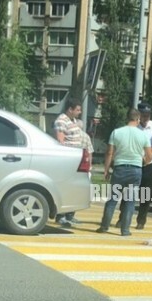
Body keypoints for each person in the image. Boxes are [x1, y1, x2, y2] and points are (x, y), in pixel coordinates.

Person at [96, 108, 152, 236]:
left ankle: (104, 227)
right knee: (130, 201)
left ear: (127, 118)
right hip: (135, 170)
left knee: (112, 200)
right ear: (138, 119)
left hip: (119, 169)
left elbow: (109, 153)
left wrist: (106, 170)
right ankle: (125, 230)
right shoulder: (143, 135)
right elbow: (149, 156)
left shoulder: (116, 132)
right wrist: (142, 162)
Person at [116, 102, 152, 229]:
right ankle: (122, 218)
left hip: (149, 163)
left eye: (148, 115)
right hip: (135, 163)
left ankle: (141, 220)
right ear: (139, 115)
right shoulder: (133, 127)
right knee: (128, 192)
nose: (146, 117)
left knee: (145, 193)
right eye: (144, 115)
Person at [53, 97, 84, 227]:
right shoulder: (61, 121)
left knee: (74, 188)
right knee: (65, 187)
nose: (80, 112)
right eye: (77, 109)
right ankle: (61, 216)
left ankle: (70, 215)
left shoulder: (73, 120)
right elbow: (60, 140)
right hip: (68, 159)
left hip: (77, 159)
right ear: (70, 109)